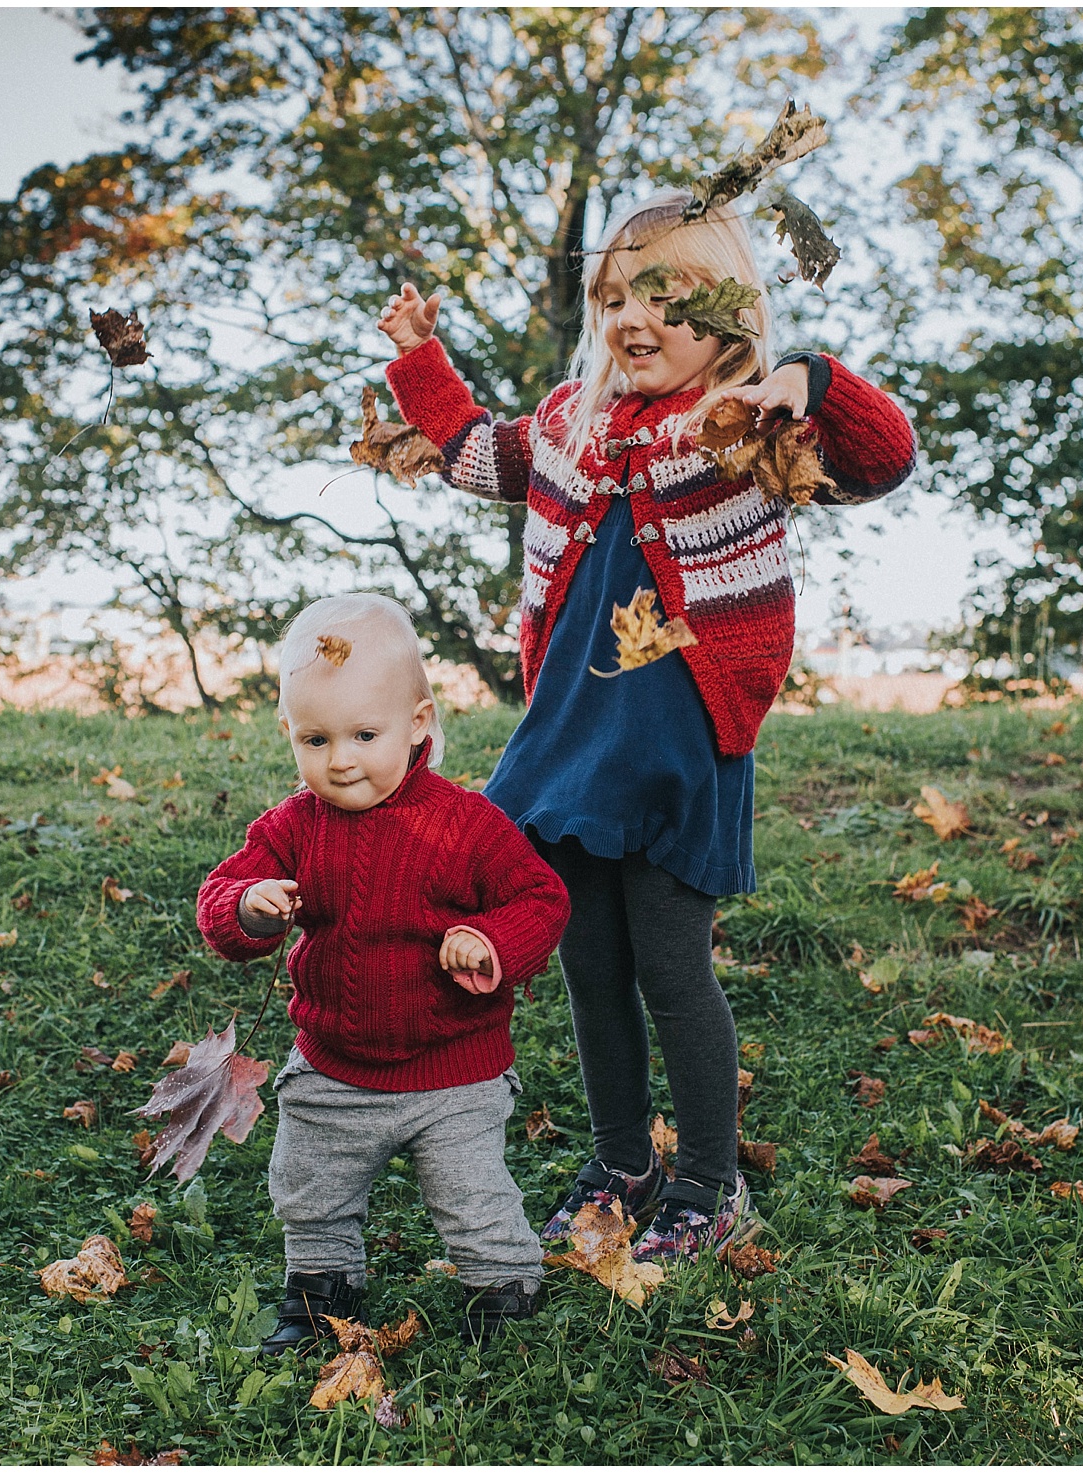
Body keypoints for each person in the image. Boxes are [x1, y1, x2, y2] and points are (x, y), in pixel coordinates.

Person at [377, 189, 916, 1261]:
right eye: (613, 295)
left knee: (672, 968)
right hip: (571, 739)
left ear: (725, 308)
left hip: (677, 739)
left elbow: (885, 458)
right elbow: (479, 455)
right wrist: (420, 362)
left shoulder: (743, 422)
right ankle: (622, 1161)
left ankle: (709, 1184)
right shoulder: (575, 420)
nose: (631, 317)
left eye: (662, 295)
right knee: (588, 967)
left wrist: (805, 374)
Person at [196, 593, 571, 1351]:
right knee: (310, 1189)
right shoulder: (293, 826)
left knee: (471, 1194)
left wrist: (492, 940)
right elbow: (217, 899)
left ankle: (501, 1285)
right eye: (316, 738)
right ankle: (321, 1290)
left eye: (365, 734)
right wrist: (252, 906)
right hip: (336, 1066)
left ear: (418, 724)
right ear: (288, 734)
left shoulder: (464, 823)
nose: (340, 758)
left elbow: (542, 895)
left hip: (454, 1073)